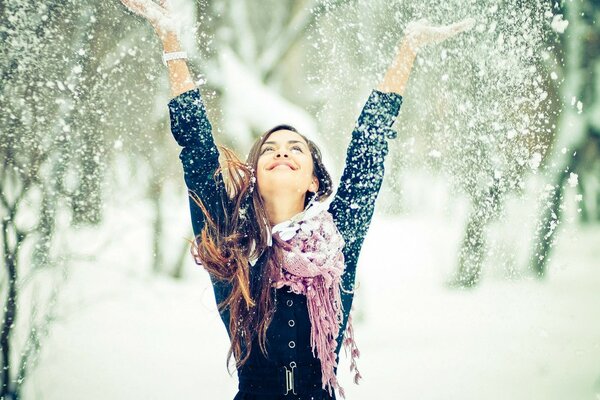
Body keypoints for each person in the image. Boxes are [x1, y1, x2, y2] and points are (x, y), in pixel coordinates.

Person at [119, 1, 474, 398]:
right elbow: (198, 152)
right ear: (254, 175)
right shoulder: (232, 241)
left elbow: (368, 148)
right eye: (270, 149)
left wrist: (407, 50)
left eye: (296, 148)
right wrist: (169, 36)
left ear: (312, 180)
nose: (282, 152)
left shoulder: (338, 240)